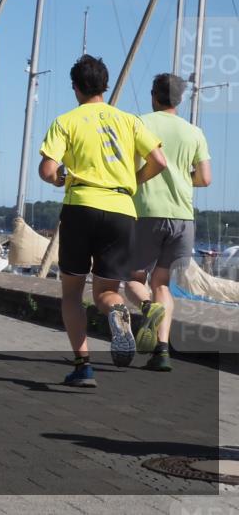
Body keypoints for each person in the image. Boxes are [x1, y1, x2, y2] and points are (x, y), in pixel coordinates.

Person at [38, 55, 166, 387]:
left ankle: (83, 366)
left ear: (75, 87)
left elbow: (48, 170)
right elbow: (159, 161)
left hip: (81, 205)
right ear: (105, 86)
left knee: (72, 292)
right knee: (107, 290)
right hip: (122, 209)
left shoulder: (66, 121)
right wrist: (134, 181)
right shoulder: (130, 121)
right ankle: (116, 311)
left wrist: (58, 180)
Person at [123, 73, 212, 372]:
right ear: (180, 99)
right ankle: (161, 351)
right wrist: (182, 177)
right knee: (162, 284)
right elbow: (205, 178)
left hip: (147, 213)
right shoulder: (194, 132)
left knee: (135, 280)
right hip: (183, 218)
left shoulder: (140, 123)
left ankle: (148, 309)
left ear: (154, 95)